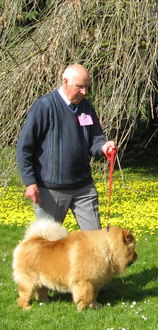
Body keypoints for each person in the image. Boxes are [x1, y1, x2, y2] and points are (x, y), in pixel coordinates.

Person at [16, 64, 117, 230]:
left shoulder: (86, 107)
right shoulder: (45, 106)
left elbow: (95, 139)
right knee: (47, 245)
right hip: (51, 189)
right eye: (79, 87)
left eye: (86, 87)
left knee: (95, 243)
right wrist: (30, 182)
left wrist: (104, 146)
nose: (84, 92)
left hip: (83, 186)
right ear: (65, 81)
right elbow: (24, 147)